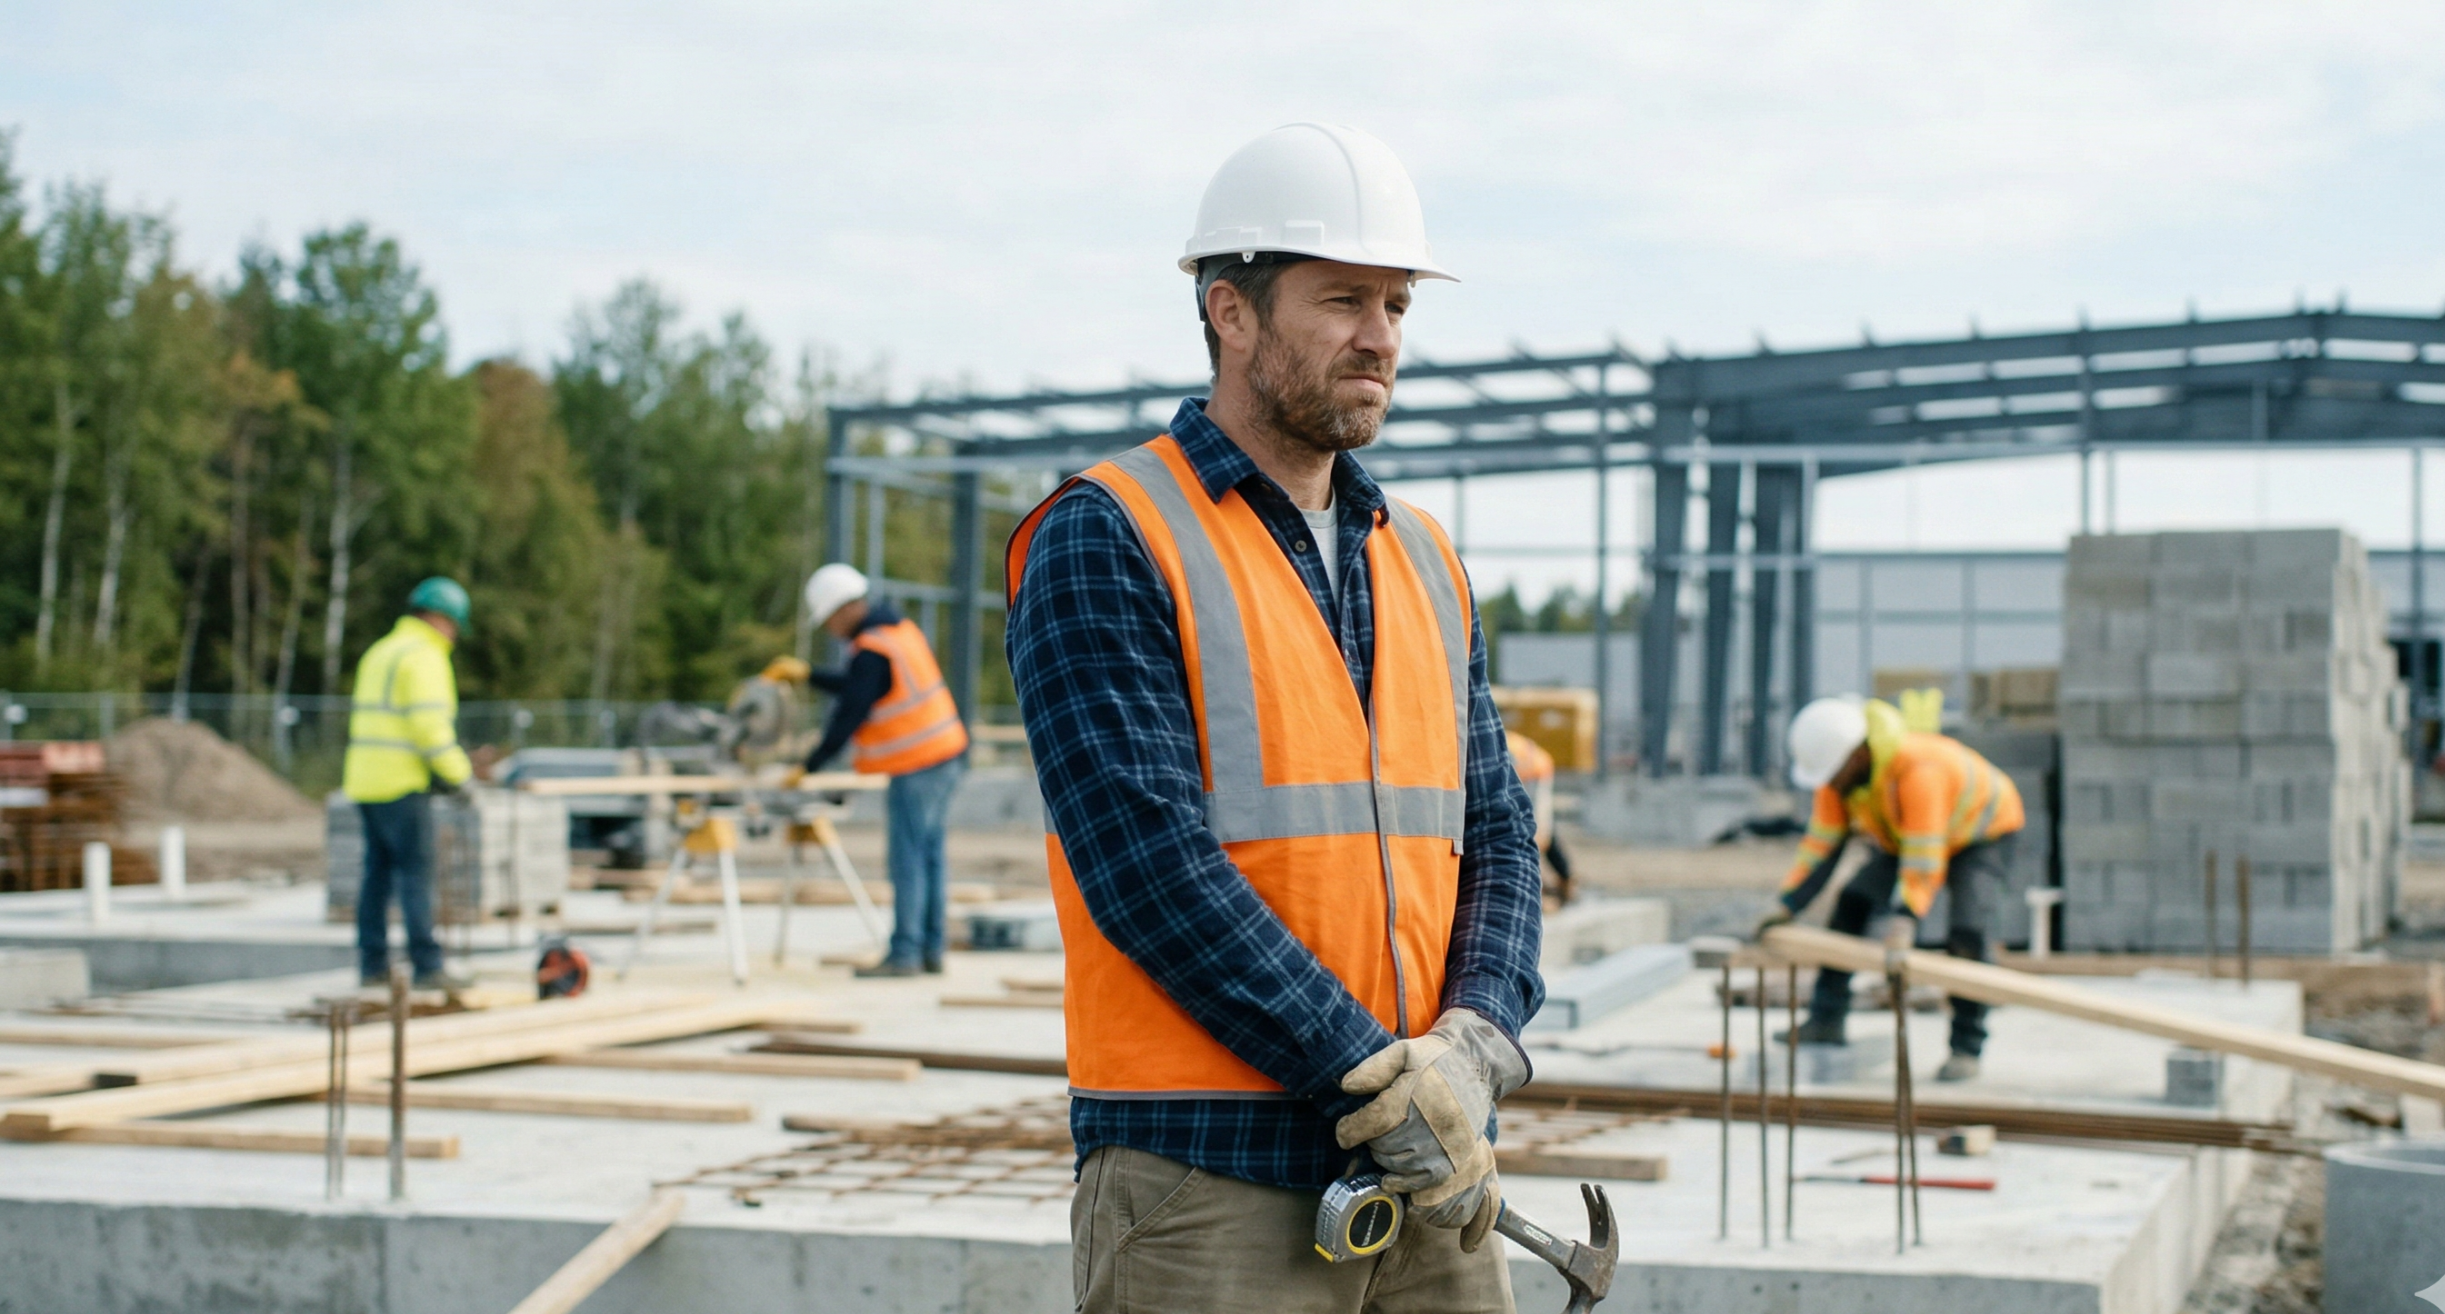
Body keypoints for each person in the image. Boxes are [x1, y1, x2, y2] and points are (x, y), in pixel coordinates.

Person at [1005, 123, 1545, 1314]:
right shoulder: (1108, 533)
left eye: (1398, 305)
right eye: (1343, 299)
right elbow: (1147, 867)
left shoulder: (1425, 561)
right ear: (1229, 312)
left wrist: (1474, 1048)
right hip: (1209, 1177)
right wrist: (1371, 1075)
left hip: (1432, 1172)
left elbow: (1498, 832)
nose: (1381, 338)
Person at [1757, 694, 2024, 1082]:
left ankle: (1966, 1047)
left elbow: (1924, 854)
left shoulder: (1918, 769)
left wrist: (1905, 918)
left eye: (1834, 773)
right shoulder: (1839, 780)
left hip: (1982, 833)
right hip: (1908, 837)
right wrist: (1786, 905)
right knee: (1852, 903)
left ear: (1858, 754)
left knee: (1968, 932)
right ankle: (1826, 1020)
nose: (1830, 782)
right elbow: (1821, 847)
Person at [796, 563, 970, 977]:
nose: (831, 629)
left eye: (830, 620)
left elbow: (852, 709)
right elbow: (860, 686)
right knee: (928, 856)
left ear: (846, 608)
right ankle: (930, 949)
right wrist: (808, 676)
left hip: (919, 764)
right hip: (946, 755)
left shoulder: (874, 647)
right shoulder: (896, 632)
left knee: (907, 859)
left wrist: (811, 765)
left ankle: (905, 954)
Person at [340, 576, 475, 990]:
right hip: (401, 784)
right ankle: (427, 965)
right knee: (416, 873)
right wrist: (460, 776)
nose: (452, 636)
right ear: (442, 619)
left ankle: (372, 964)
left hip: (365, 781)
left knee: (376, 875)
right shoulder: (424, 656)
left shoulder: (381, 651)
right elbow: (429, 728)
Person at [1505, 730, 1575, 908]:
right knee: (1538, 830)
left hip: (1534, 774)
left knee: (1536, 832)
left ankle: (1560, 882)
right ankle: (1563, 879)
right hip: (1530, 770)